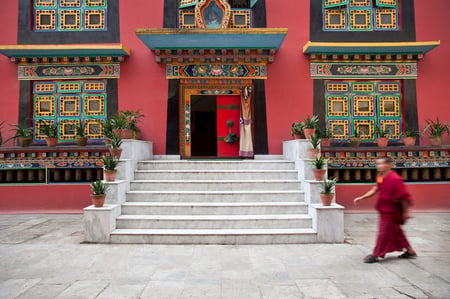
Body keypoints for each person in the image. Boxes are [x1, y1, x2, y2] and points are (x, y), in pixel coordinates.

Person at [353, 156, 417, 263]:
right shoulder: (380, 177)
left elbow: (404, 196)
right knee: (396, 231)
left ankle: (376, 254)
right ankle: (410, 251)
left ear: (389, 165)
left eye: (381, 164)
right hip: (384, 208)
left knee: (383, 232)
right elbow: (376, 188)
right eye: (377, 164)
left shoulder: (395, 178)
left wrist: (407, 211)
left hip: (392, 210)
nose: (378, 166)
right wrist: (362, 197)